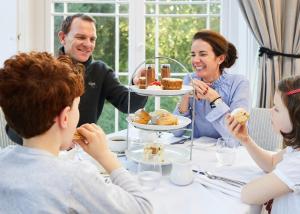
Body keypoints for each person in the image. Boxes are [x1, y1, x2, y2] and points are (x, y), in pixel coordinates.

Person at [0, 52, 152, 213]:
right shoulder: (75, 178)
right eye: (76, 107)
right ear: (65, 117)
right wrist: (106, 156)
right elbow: (142, 208)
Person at [5, 13, 147, 145]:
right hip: (48, 152)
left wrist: (140, 85)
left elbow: (129, 104)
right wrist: (50, 142)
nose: (88, 44)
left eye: (92, 39)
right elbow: (14, 129)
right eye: (81, 37)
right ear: (62, 37)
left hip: (84, 151)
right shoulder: (43, 72)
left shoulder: (100, 71)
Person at [226, 75, 300, 214]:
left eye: (277, 108)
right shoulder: (295, 150)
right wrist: (246, 139)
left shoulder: (297, 165)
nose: (270, 111)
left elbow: (248, 194)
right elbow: (271, 163)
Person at [173, 30, 250, 140]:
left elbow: (237, 137)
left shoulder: (239, 83)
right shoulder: (190, 80)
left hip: (227, 154)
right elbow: (176, 132)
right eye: (193, 54)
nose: (195, 60)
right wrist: (185, 97)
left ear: (220, 58)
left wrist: (214, 98)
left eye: (203, 54)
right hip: (196, 152)